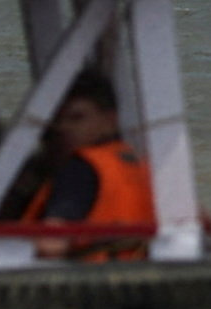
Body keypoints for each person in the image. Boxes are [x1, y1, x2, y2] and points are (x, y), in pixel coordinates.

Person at [16, 76, 157, 250]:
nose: (63, 128)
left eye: (77, 118)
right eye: (56, 120)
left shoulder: (79, 169)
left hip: (90, 273)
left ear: (109, 122)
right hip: (140, 271)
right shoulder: (145, 167)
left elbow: (51, 244)